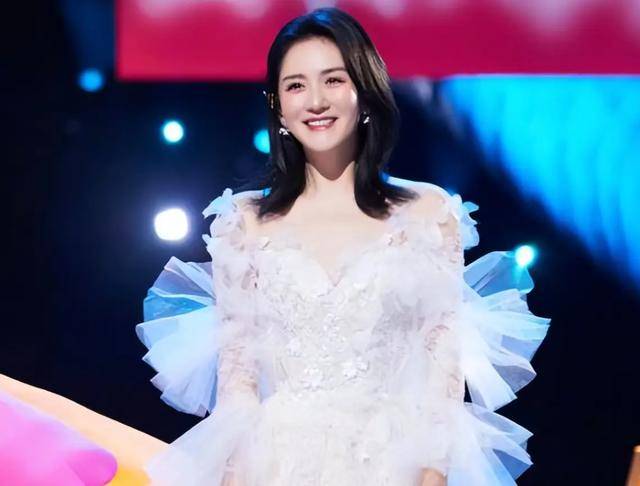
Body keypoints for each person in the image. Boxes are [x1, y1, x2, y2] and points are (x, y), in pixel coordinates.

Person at [136, 7, 551, 486]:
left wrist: (433, 476)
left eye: (333, 80)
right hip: (278, 467)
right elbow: (238, 387)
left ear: (364, 90)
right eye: (296, 85)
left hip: (390, 463)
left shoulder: (427, 213)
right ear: (277, 104)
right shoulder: (244, 222)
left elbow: (443, 373)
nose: (316, 101)